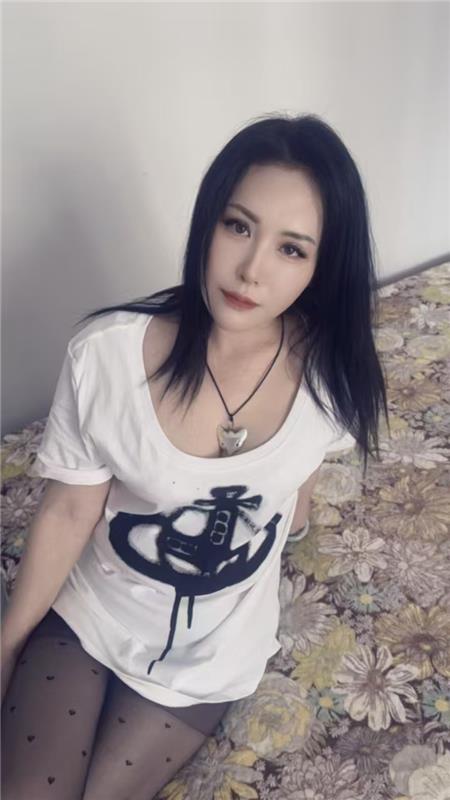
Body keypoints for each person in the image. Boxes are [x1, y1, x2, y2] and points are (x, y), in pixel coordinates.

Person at [1, 112, 389, 799]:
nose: (251, 270)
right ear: (208, 221)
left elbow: (297, 497)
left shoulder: (332, 381)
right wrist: (6, 647)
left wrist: (291, 523)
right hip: (92, 615)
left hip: (211, 658)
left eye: (291, 248)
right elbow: (67, 513)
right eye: (238, 226)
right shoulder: (108, 355)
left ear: (323, 266)